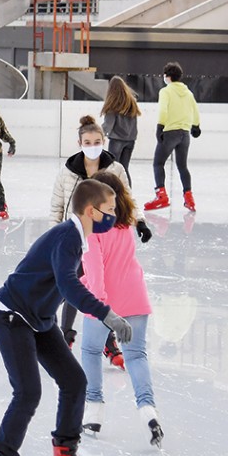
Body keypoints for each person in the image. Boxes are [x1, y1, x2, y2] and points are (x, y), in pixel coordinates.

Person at [0, 177, 132, 456]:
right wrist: (108, 315)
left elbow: (65, 290)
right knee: (28, 391)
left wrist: (70, 330)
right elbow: (69, 285)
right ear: (91, 211)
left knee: (74, 381)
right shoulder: (67, 237)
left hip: (39, 318)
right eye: (110, 210)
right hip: (12, 316)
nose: (114, 215)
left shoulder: (78, 239)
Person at [50, 115, 148, 354]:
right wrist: (55, 236)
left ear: (103, 141)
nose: (92, 146)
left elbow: (127, 199)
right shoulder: (68, 171)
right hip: (74, 237)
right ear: (80, 143)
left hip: (104, 236)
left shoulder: (115, 169)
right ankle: (65, 334)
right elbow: (57, 205)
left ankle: (107, 340)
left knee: (102, 288)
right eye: (87, 142)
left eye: (97, 141)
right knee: (73, 285)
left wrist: (140, 221)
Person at [80, 170, 162, 449]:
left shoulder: (92, 230)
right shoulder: (125, 224)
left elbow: (96, 270)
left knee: (91, 350)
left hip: (104, 302)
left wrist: (99, 304)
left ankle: (94, 410)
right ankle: (148, 411)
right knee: (136, 355)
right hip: (135, 297)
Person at [144, 63, 200, 212]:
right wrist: (196, 125)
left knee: (158, 163)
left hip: (170, 132)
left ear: (167, 76)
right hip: (184, 134)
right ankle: (189, 198)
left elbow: (163, 110)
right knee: (182, 166)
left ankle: (161, 195)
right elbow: (195, 109)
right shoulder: (188, 93)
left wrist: (160, 127)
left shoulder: (166, 91)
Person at [100, 76, 140, 172]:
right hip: (130, 140)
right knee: (124, 169)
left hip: (116, 140)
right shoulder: (132, 102)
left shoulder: (113, 105)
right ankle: (127, 187)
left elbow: (108, 125)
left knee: (113, 169)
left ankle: (113, 187)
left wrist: (97, 133)